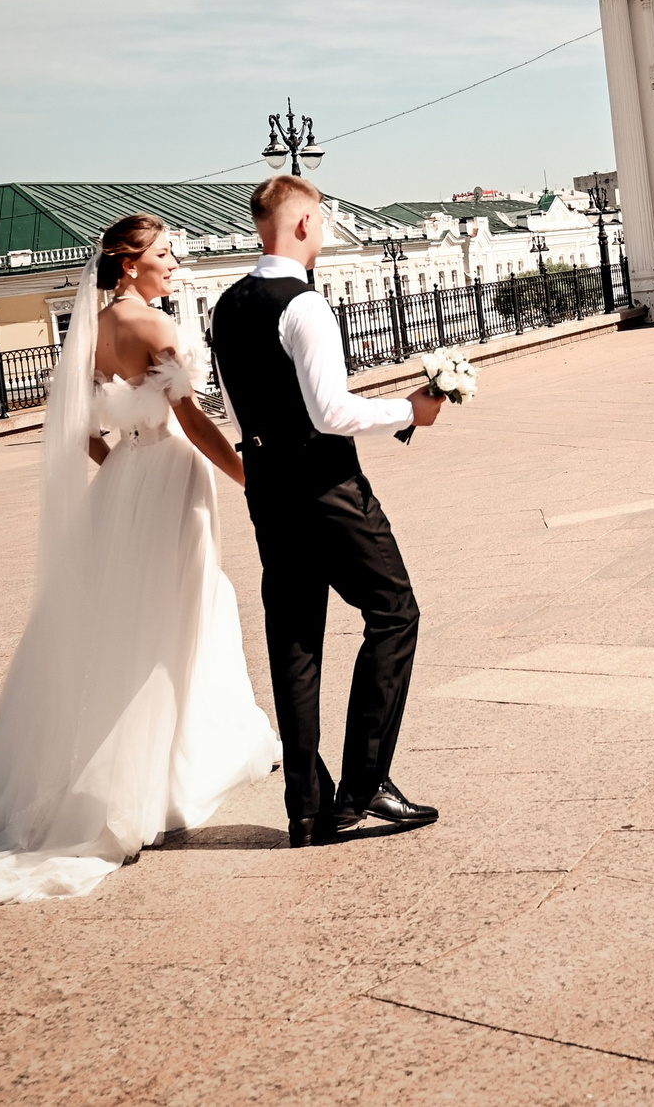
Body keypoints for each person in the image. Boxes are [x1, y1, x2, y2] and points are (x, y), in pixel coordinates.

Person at [0, 214, 278, 905]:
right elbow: (193, 421)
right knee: (181, 618)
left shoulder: (91, 332)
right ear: (130, 265)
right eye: (165, 254)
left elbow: (77, 427)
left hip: (129, 479)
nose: (175, 263)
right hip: (170, 474)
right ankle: (158, 783)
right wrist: (249, 476)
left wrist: (122, 463)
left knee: (133, 622)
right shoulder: (157, 328)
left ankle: (144, 772)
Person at [209, 174, 446, 848]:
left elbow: (234, 409)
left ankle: (307, 811)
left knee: (296, 641)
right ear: (304, 224)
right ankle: (365, 789)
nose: (329, 229)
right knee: (395, 612)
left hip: (268, 493)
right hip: (329, 490)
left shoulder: (224, 308)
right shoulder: (303, 305)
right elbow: (332, 411)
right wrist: (412, 410)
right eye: (325, 218)